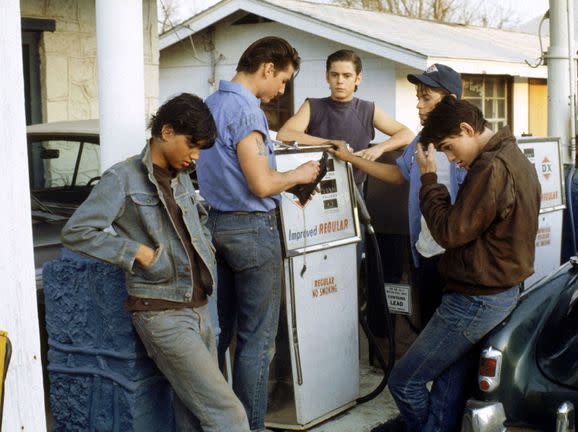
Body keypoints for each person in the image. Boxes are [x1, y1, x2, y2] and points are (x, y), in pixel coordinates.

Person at [61, 93, 250, 431]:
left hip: (199, 308)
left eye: (200, 149)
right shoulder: (122, 179)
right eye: (191, 145)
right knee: (228, 415)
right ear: (166, 131)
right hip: (162, 314)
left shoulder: (180, 179)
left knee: (194, 417)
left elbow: (196, 221)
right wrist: (135, 252)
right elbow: (77, 231)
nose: (194, 156)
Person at [377, 96, 541, 432]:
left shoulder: (491, 167)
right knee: (445, 395)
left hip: (474, 299)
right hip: (497, 291)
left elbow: (449, 232)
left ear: (467, 129)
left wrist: (428, 180)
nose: (452, 158)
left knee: (404, 382)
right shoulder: (514, 157)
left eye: (450, 148)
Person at [196, 36, 320, 432]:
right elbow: (262, 184)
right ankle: (248, 426)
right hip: (251, 230)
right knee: (256, 343)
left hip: (214, 224)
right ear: (267, 69)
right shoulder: (246, 111)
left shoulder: (210, 105)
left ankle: (212, 422)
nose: (281, 91)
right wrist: (300, 175)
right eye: (282, 81)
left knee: (218, 335)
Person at [329, 64, 466, 327]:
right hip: (425, 251)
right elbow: (396, 174)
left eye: (426, 98)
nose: (419, 105)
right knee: (427, 326)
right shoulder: (421, 141)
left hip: (458, 257)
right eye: (418, 98)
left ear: (449, 101)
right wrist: (350, 158)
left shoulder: (468, 145)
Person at [277, 49, 414, 189]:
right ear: (327, 77)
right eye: (335, 75)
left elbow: (407, 134)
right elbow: (284, 135)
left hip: (355, 188)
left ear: (358, 79)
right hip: (318, 187)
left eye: (347, 76)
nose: (340, 81)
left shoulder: (368, 109)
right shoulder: (312, 106)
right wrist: (329, 143)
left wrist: (379, 149)